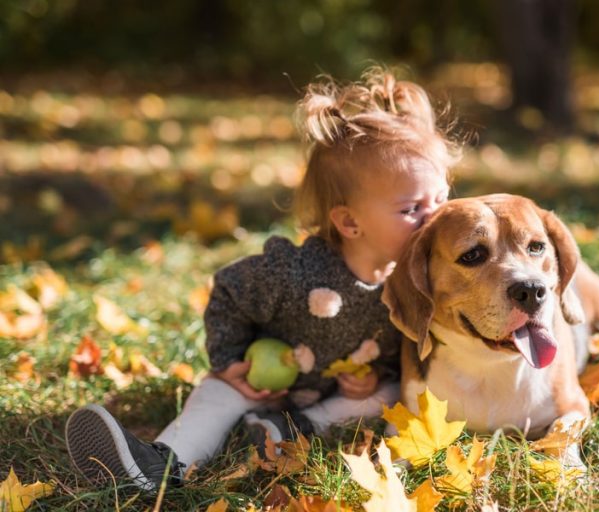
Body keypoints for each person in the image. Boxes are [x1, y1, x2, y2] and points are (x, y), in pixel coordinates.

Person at [65, 67, 460, 491]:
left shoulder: (413, 280)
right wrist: (230, 362)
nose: (434, 217)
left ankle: (288, 431)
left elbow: (401, 347)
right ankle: (162, 463)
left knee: (387, 395)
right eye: (411, 209)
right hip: (265, 381)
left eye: (440, 198)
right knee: (215, 397)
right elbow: (230, 292)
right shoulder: (292, 271)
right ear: (349, 222)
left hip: (334, 397)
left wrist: (372, 376)